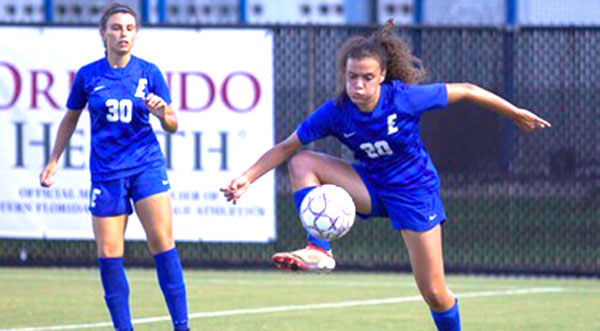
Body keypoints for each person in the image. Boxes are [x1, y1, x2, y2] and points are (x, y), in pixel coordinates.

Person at [221, 20, 551, 330]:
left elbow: (465, 90)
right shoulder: (336, 112)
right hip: (370, 185)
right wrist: (247, 178)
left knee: (434, 292)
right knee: (302, 162)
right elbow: (286, 147)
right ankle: (319, 250)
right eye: (352, 77)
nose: (358, 85)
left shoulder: (404, 99)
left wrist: (514, 113)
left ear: (381, 77)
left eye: (366, 77)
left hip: (414, 193)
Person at [39, 3, 188, 330]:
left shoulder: (149, 72)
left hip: (146, 166)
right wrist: (53, 161)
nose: (124, 34)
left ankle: (182, 326)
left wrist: (164, 113)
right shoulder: (88, 75)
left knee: (162, 243)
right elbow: (70, 119)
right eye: (117, 28)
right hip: (106, 173)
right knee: (109, 254)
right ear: (103, 33)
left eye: (130, 28)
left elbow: (173, 124)